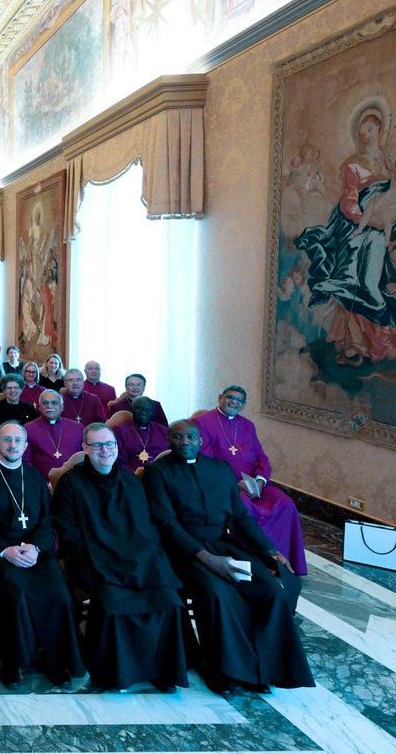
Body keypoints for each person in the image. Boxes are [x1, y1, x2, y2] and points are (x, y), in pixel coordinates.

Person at [144, 421, 314, 694]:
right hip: (184, 550)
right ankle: (222, 670)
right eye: (177, 437)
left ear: (200, 441)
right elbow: (167, 524)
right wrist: (208, 560)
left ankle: (264, 668)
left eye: (190, 437)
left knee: (271, 591)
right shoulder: (157, 472)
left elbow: (241, 518)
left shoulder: (221, 470)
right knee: (217, 593)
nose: (185, 442)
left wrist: (273, 551)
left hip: (223, 544)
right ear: (169, 440)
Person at [53, 423, 188, 692]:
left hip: (138, 557)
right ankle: (117, 674)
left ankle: (162, 670)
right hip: (93, 560)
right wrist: (106, 558)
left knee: (168, 598)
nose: (105, 450)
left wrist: (142, 557)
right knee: (115, 601)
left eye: (110, 444)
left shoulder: (130, 481)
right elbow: (69, 533)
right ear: (85, 449)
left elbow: (145, 525)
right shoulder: (70, 483)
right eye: (98, 445)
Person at [0, 422, 83, 688]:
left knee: (59, 594)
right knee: (16, 594)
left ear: (26, 445)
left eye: (18, 441)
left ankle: (55, 661)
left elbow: (47, 518)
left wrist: (36, 547)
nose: (12, 445)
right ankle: (13, 661)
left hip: (35, 552)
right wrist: (6, 550)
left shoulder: (33, 476)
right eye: (7, 440)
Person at [294, 104, 396, 365]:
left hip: (384, 222)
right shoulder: (353, 164)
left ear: (380, 129)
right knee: (357, 273)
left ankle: (383, 339)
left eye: (370, 127)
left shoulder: (386, 162)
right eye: (362, 127)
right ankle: (356, 342)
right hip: (355, 224)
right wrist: (364, 218)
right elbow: (349, 198)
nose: (365, 132)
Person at [192, 386, 307, 575]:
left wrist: (260, 481)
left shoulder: (247, 425)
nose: (234, 402)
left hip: (253, 483)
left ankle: (284, 562)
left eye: (239, 400)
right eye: (230, 397)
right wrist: (234, 483)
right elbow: (206, 461)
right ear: (220, 397)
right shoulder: (201, 423)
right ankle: (259, 565)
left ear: (244, 405)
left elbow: (262, 457)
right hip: (224, 485)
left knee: (285, 503)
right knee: (245, 508)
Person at [23, 391, 83, 478]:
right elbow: (25, 460)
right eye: (45, 403)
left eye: (54, 403)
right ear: (39, 407)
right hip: (42, 483)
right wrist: (40, 482)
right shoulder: (28, 429)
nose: (49, 406)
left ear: (62, 407)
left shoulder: (77, 428)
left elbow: (83, 457)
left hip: (74, 482)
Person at [113, 396, 169, 467]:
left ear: (153, 412)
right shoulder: (120, 430)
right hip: (131, 475)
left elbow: (168, 456)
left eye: (147, 409)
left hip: (160, 474)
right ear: (131, 409)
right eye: (139, 408)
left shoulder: (163, 431)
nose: (143, 412)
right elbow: (120, 461)